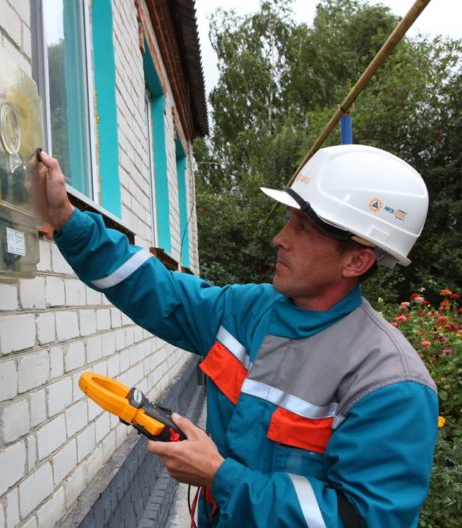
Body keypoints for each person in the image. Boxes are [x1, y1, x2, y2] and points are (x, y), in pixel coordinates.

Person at [34, 144, 438, 527]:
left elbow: (363, 520)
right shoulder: (245, 311)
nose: (280, 238)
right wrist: (68, 218)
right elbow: (156, 289)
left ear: (357, 260)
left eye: (302, 228)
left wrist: (220, 476)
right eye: (287, 221)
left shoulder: (391, 386)